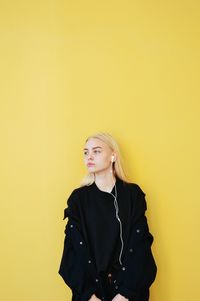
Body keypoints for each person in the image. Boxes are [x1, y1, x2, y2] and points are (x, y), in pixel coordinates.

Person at [58, 132, 157, 301]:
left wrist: (124, 294)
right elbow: (72, 253)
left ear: (113, 156)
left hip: (128, 292)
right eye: (86, 152)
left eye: (96, 151)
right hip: (91, 294)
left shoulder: (132, 195)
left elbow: (141, 247)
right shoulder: (78, 199)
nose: (89, 156)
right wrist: (89, 296)